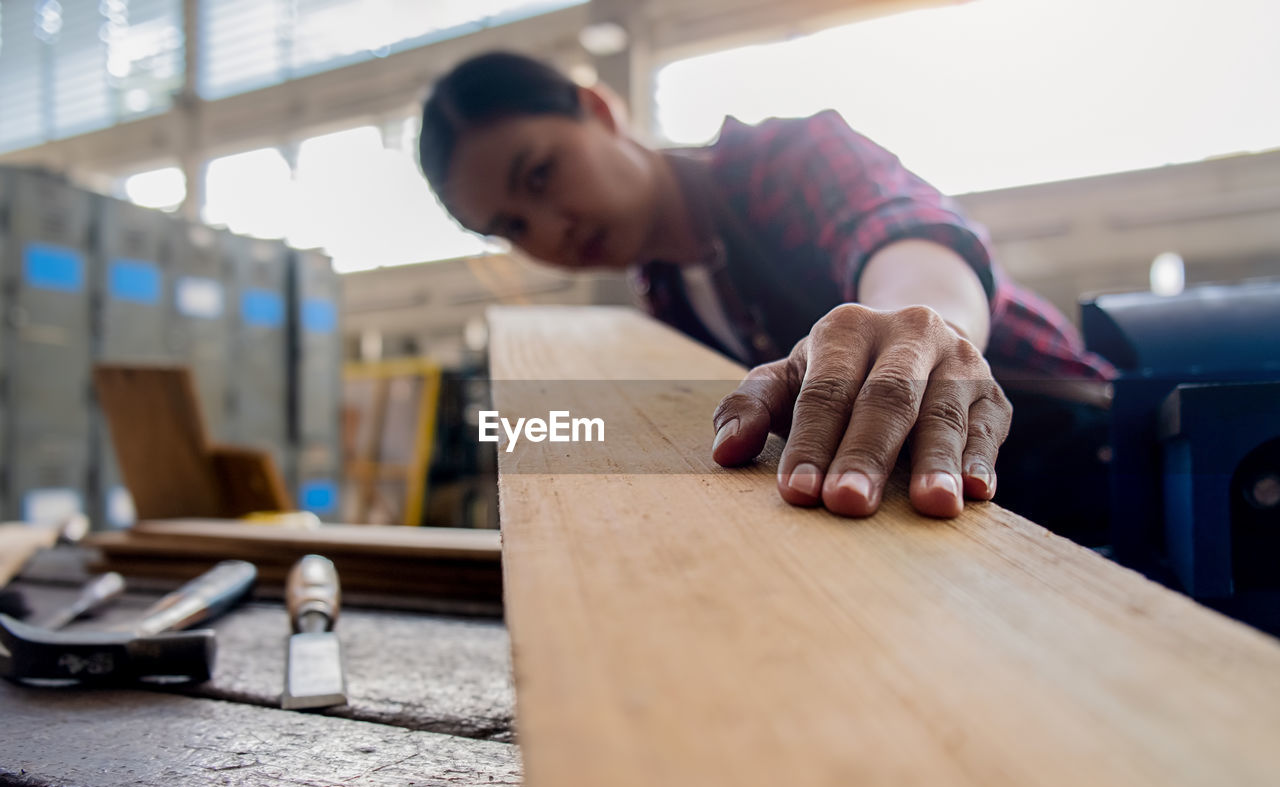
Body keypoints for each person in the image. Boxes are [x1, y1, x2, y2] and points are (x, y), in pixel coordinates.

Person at [417, 51, 1115, 538]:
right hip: (939, 510)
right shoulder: (665, 296)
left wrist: (918, 326)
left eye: (540, 175)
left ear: (597, 109)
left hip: (1092, 447)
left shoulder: (788, 161)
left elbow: (908, 239)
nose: (552, 230)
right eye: (511, 227)